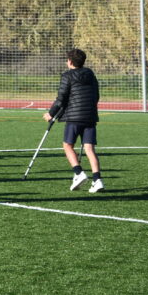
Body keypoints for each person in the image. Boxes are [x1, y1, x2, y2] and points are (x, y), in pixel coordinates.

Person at [44, 48, 103, 193]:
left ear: (70, 62)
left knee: (67, 145)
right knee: (89, 149)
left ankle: (78, 172)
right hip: (90, 116)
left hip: (74, 117)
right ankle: (97, 180)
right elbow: (96, 95)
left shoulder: (67, 75)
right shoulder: (90, 73)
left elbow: (61, 98)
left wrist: (51, 113)